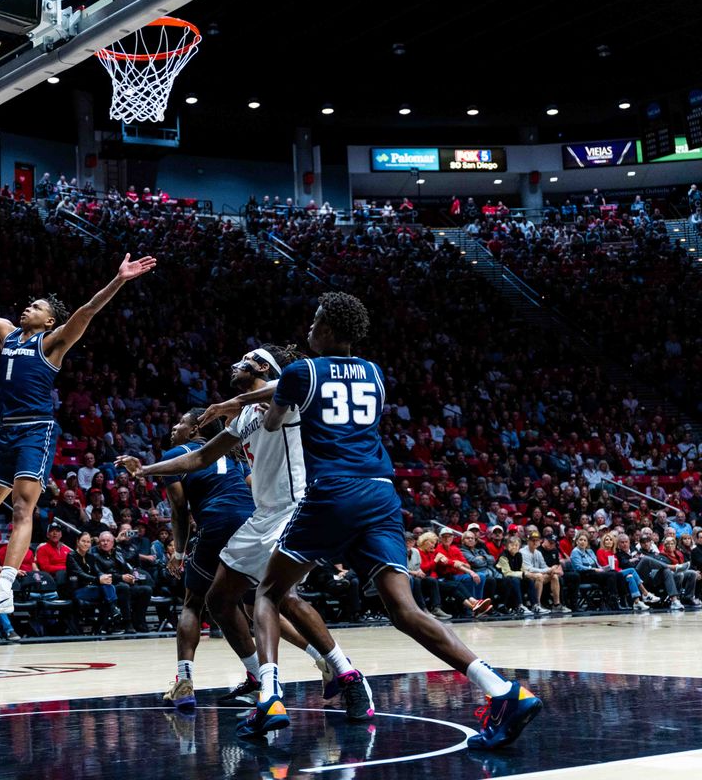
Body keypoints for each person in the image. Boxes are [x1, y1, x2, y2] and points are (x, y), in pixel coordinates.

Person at [204, 292, 540, 748]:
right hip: (381, 494)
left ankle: (270, 698)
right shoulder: (374, 373)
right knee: (405, 609)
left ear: (326, 330)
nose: (308, 329)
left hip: (333, 492)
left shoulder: (303, 371)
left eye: (315, 321)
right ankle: (502, 690)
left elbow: (270, 419)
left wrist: (247, 406)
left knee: (268, 591)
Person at [0, 252, 157, 618]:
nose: (29, 308)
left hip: (35, 430)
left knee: (24, 507)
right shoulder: (5, 331)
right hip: (6, 431)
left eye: (37, 306)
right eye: (30, 304)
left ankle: (5, 587)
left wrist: (119, 279)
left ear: (50, 320)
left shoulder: (52, 343)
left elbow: (88, 311)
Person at [129, 345, 364, 715]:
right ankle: (263, 677)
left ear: (262, 369)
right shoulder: (243, 419)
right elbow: (201, 457)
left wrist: (229, 403)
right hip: (260, 515)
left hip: (294, 508)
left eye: (243, 362)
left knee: (277, 598)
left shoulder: (287, 401)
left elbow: (287, 380)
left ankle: (339, 673)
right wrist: (146, 470)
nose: (234, 365)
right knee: (219, 600)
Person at [152, 408, 254, 710]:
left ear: (196, 427)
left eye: (180, 421)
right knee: (264, 601)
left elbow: (180, 511)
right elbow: (252, 486)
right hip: (252, 524)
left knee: (193, 602)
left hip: (217, 523)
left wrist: (180, 553)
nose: (174, 426)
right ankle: (323, 660)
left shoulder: (175, 455)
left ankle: (184, 682)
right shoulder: (232, 453)